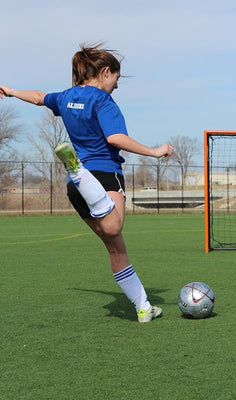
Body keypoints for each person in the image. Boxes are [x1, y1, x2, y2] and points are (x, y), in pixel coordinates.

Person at [0, 43, 174, 323]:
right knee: (115, 226)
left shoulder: (67, 97)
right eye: (116, 79)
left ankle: (143, 307)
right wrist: (155, 151)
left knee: (115, 246)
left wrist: (11, 91)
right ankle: (78, 170)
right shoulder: (103, 102)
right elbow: (115, 138)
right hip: (104, 174)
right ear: (106, 72)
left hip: (77, 189)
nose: (116, 86)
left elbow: (38, 97)